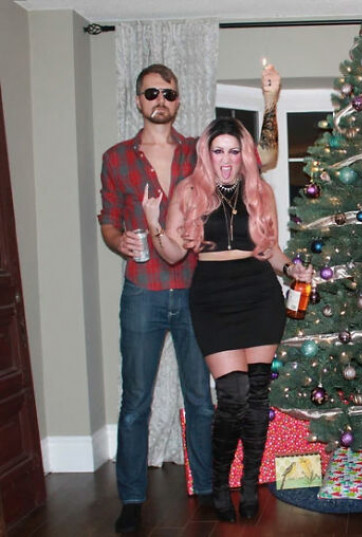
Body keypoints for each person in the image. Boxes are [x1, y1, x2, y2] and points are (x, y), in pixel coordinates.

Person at [98, 63, 281, 533]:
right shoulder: (122, 160)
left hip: (225, 292)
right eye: (151, 93)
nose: (160, 99)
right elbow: (114, 223)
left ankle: (220, 486)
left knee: (214, 400)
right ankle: (136, 498)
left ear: (178, 99)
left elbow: (260, 159)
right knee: (143, 402)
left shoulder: (208, 158)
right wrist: (130, 235)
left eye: (168, 93)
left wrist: (270, 101)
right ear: (138, 99)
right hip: (158, 290)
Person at [141, 117, 313, 523]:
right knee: (233, 395)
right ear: (206, 153)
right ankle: (220, 485)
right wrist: (153, 223)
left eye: (233, 151)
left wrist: (293, 270)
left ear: (243, 155)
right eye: (218, 150)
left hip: (259, 295)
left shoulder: (259, 191)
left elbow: (271, 251)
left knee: (257, 396)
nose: (226, 159)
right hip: (213, 297)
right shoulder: (189, 191)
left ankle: (250, 486)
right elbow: (172, 254)